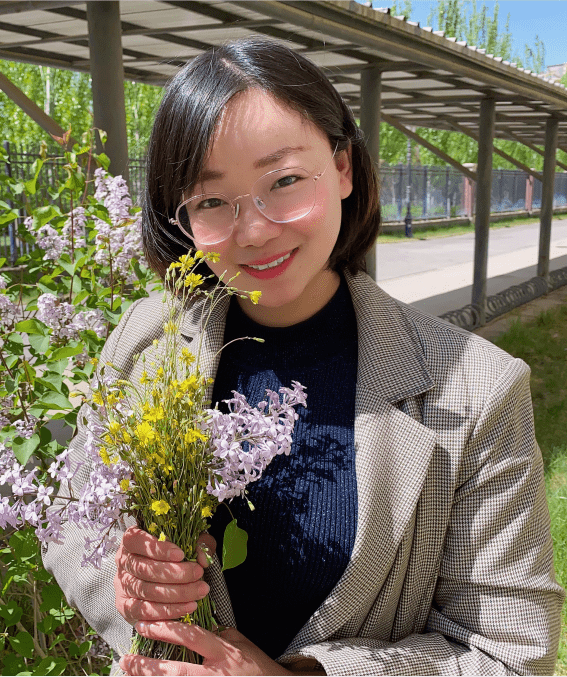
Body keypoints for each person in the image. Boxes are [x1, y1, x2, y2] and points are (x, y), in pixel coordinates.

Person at [44, 38, 564, 676]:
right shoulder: (146, 345)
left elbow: (512, 654)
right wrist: (128, 590)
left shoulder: (476, 388)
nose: (254, 229)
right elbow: (70, 521)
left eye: (284, 181)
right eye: (211, 201)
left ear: (343, 167)